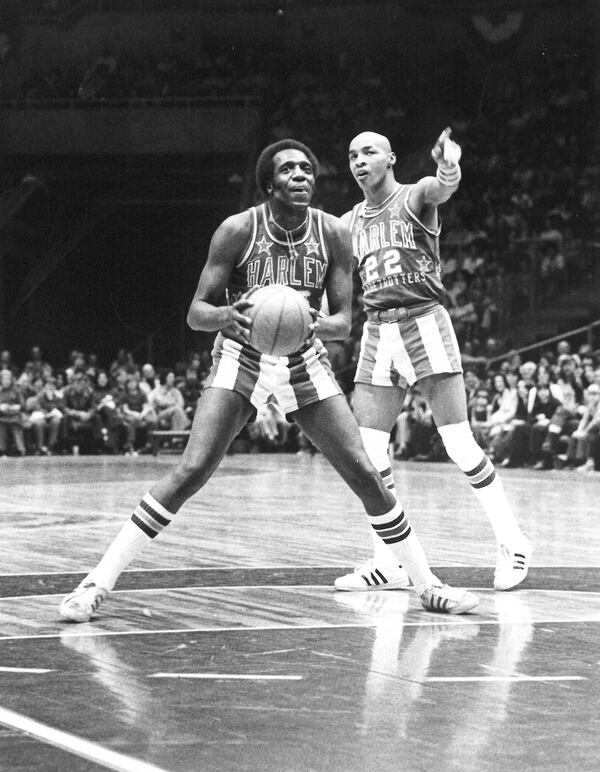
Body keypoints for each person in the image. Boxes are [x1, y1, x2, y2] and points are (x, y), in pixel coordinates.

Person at [59, 138, 478, 622]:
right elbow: (196, 312)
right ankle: (95, 584)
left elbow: (344, 321)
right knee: (192, 469)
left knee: (365, 472)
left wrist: (310, 323)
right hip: (243, 355)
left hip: (303, 359)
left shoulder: (335, 233)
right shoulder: (237, 229)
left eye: (307, 169)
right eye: (288, 169)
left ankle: (428, 586)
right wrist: (226, 316)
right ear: (268, 183)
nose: (301, 175)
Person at [335, 128, 531, 593]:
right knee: (370, 453)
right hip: (377, 329)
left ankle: (514, 541)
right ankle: (389, 562)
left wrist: (448, 165)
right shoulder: (347, 223)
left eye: (369, 152)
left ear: (391, 158)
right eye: (352, 155)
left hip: (423, 321)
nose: (359, 160)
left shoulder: (415, 195)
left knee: (460, 444)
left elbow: (443, 186)